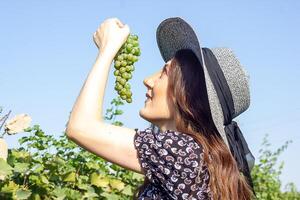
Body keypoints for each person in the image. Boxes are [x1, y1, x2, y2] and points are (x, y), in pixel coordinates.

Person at [66, 17, 255, 200]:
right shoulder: (200, 159)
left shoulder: (185, 153)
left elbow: (81, 128)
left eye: (164, 73)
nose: (148, 81)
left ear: (189, 93)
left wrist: (107, 49)